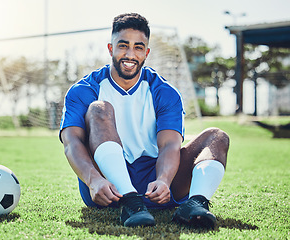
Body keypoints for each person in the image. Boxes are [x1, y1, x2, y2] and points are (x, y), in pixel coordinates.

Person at [59, 13, 229, 228]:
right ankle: (130, 202)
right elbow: (71, 142)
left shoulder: (165, 92)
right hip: (106, 186)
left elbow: (169, 145)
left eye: (138, 47)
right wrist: (93, 180)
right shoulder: (85, 89)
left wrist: (164, 180)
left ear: (146, 52)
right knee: (98, 109)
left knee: (216, 137)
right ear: (111, 48)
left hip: (153, 180)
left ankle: (195, 204)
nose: (130, 54)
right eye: (123, 46)